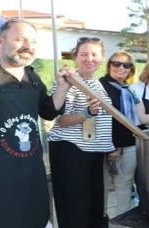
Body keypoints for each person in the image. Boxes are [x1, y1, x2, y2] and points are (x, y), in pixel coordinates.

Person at [0, 19, 70, 228]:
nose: (28, 46)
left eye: (33, 41)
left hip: (29, 171)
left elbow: (48, 111)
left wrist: (62, 88)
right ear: (0, 41)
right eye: (20, 39)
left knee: (32, 218)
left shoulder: (33, 77)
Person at [48, 37, 115, 228]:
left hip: (93, 151)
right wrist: (87, 113)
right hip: (71, 150)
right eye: (84, 54)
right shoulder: (68, 82)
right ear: (76, 57)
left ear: (102, 57)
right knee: (75, 210)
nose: (89, 59)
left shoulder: (96, 83)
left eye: (95, 54)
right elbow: (61, 120)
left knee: (94, 207)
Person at [99, 50, 140, 218]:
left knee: (125, 184)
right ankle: (101, 220)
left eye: (127, 65)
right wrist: (112, 148)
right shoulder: (100, 86)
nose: (121, 68)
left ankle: (122, 220)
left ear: (131, 69)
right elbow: (101, 120)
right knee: (104, 184)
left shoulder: (129, 90)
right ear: (109, 66)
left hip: (130, 143)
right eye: (117, 63)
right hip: (107, 146)